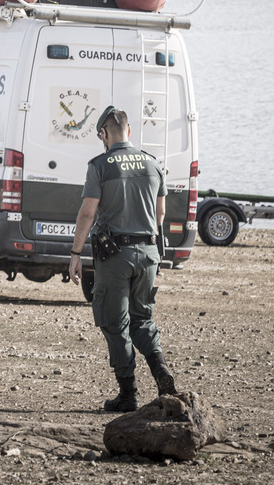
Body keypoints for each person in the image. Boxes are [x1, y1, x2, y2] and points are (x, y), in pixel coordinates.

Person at [68, 106, 178, 412]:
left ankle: (128, 395)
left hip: (116, 257)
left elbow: (88, 212)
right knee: (142, 319)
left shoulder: (100, 166)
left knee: (115, 323)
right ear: (128, 131)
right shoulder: (152, 164)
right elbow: (161, 214)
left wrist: (76, 254)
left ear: (104, 134)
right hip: (149, 254)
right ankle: (160, 369)